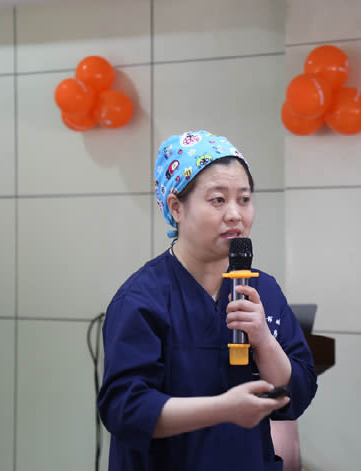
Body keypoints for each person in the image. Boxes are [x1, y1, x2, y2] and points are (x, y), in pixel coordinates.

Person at [98, 130, 317, 470]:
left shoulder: (264, 290)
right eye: (218, 200)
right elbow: (125, 409)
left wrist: (263, 340)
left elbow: (297, 391)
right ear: (176, 207)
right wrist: (223, 409)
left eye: (244, 199)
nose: (235, 214)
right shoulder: (141, 300)